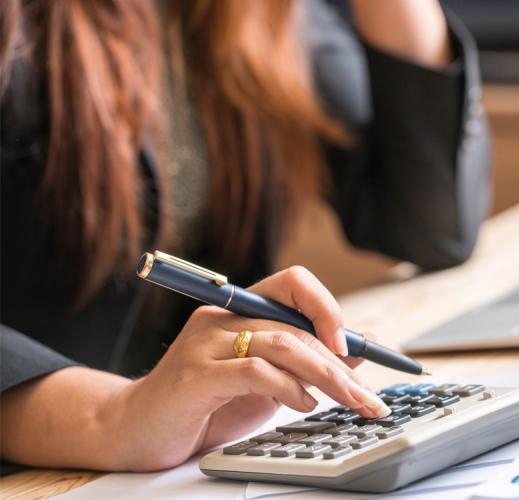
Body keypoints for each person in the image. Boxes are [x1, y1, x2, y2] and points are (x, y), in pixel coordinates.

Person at [0, 0, 490, 473]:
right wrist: (110, 416)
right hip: (50, 465)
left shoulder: (265, 12)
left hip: (189, 458)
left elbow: (429, 226)